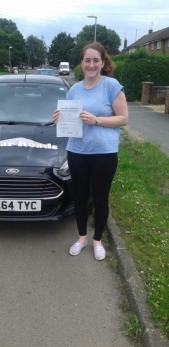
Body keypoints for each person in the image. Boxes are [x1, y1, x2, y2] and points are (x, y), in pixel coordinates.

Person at [52, 42, 128, 260]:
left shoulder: (111, 86)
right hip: (77, 151)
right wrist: (58, 119)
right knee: (81, 196)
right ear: (82, 63)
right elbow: (68, 120)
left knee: (101, 198)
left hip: (104, 153)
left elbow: (123, 118)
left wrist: (97, 120)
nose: (91, 64)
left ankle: (97, 240)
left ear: (103, 63)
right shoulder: (74, 90)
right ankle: (82, 238)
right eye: (87, 60)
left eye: (96, 60)